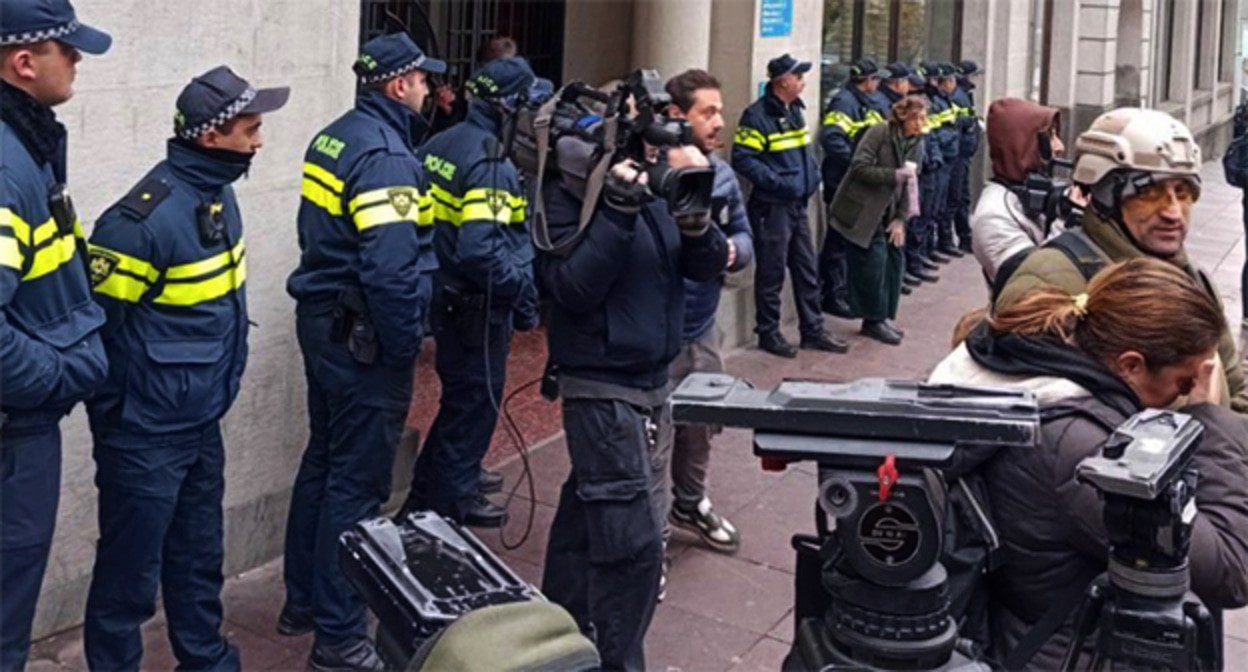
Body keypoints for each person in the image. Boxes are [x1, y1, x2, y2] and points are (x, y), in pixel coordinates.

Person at [930, 258, 1248, 668]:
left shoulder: (1039, 369)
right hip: (1069, 654)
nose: (1185, 394)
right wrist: (1209, 417)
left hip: (1031, 628)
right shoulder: (1082, 451)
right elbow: (1229, 570)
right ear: (1130, 365)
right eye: (1184, 381)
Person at [82, 66, 288, 672]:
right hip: (144, 434)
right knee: (129, 578)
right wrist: (126, 417)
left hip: (199, 420)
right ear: (210, 135)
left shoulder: (218, 195)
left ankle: (206, 660)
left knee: (199, 558)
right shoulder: (138, 224)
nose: (259, 141)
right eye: (250, 128)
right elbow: (98, 333)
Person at [537, 124, 729, 668]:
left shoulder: (659, 189)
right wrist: (617, 210)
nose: (655, 147)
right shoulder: (567, 194)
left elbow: (708, 267)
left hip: (651, 381)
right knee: (634, 548)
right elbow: (571, 287)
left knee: (584, 523)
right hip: (600, 387)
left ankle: (555, 640)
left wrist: (697, 221)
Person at [282, 33, 444, 671]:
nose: (429, 90)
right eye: (423, 80)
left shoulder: (336, 136)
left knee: (324, 461)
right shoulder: (387, 157)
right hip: (363, 339)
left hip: (324, 321)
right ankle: (340, 637)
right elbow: (391, 271)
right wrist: (403, 349)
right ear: (399, 85)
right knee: (357, 484)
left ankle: (302, 602)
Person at [994, 107, 1248, 414]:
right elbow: (1035, 421)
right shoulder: (1050, 281)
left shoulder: (1194, 281)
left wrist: (1224, 434)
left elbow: (1236, 391)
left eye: (1182, 193)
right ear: (1104, 195)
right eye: (1149, 193)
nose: (1172, 212)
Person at [0, 2, 110, 668]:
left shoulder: (24, 144)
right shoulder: (6, 166)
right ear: (23, 61)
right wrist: (60, 374)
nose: (76, 61)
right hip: (15, 429)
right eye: (66, 50)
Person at [399, 57, 539, 528]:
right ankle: (446, 503)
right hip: (476, 305)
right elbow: (483, 252)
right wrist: (523, 295)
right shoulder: (490, 163)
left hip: (443, 293)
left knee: (461, 400)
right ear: (509, 107)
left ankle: (439, 484)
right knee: (474, 405)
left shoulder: (440, 142)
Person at [659, 69, 754, 561]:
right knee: (653, 435)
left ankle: (690, 503)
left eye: (720, 110)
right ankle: (649, 525)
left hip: (702, 329)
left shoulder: (722, 174)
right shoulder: (651, 172)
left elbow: (743, 234)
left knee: (701, 427)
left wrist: (733, 251)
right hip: (655, 336)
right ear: (677, 116)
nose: (719, 121)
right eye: (708, 112)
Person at [732, 53, 847, 358]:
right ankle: (768, 332)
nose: (803, 82)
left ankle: (813, 330)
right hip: (772, 208)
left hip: (797, 205)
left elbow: (803, 155)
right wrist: (780, 183)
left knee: (807, 269)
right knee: (771, 273)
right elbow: (742, 159)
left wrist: (810, 178)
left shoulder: (795, 110)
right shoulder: (756, 116)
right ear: (783, 81)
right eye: (798, 76)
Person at [827, 96, 927, 345]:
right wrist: (892, 175)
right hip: (864, 209)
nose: (921, 124)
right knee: (871, 264)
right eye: (916, 119)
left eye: (924, 119)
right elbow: (859, 166)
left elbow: (911, 183)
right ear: (904, 117)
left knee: (894, 262)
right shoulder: (880, 132)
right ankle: (872, 320)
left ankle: (882, 316)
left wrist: (901, 219)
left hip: (890, 210)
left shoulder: (917, 142)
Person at [818, 58, 889, 318]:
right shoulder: (844, 103)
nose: (878, 84)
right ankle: (832, 294)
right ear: (866, 81)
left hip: (858, 183)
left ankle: (846, 291)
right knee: (838, 241)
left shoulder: (868, 102)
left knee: (853, 239)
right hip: (842, 182)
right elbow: (831, 139)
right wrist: (858, 164)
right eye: (876, 79)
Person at [969, 98, 1064, 288]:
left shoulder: (1028, 192)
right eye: (1050, 137)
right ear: (1022, 144)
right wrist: (1066, 224)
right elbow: (1033, 284)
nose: (1060, 146)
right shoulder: (992, 216)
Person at [923, 62, 964, 262]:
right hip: (939, 159)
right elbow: (934, 134)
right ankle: (924, 251)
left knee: (942, 204)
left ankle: (932, 247)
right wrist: (953, 134)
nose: (953, 83)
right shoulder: (931, 102)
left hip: (948, 157)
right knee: (929, 209)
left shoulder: (944, 99)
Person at [944, 60, 982, 254]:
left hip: (963, 154)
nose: (977, 79)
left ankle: (964, 237)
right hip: (957, 154)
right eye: (975, 75)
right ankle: (948, 239)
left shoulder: (965, 94)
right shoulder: (958, 96)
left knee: (963, 197)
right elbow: (959, 126)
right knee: (955, 197)